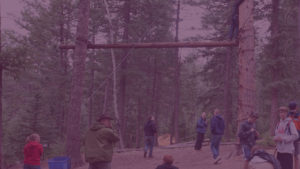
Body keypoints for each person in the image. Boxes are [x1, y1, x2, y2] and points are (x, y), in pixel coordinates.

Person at [287, 102, 300, 169]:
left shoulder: (298, 115)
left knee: (296, 155)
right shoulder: (288, 115)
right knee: (290, 155)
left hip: (297, 138)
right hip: (289, 138)